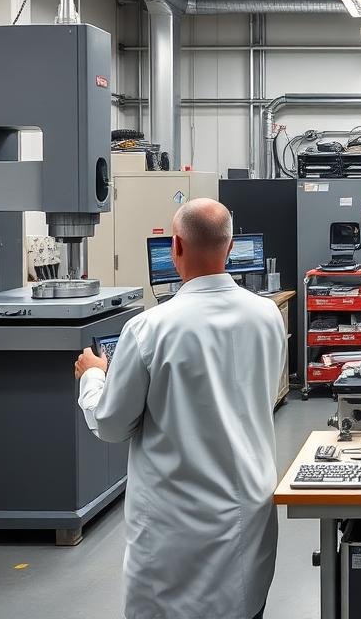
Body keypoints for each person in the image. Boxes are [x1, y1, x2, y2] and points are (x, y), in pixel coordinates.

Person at [75, 198, 286, 619]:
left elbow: (111, 424)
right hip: (249, 514)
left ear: (176, 246)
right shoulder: (267, 315)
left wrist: (93, 377)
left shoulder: (148, 329)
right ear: (230, 247)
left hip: (175, 536)